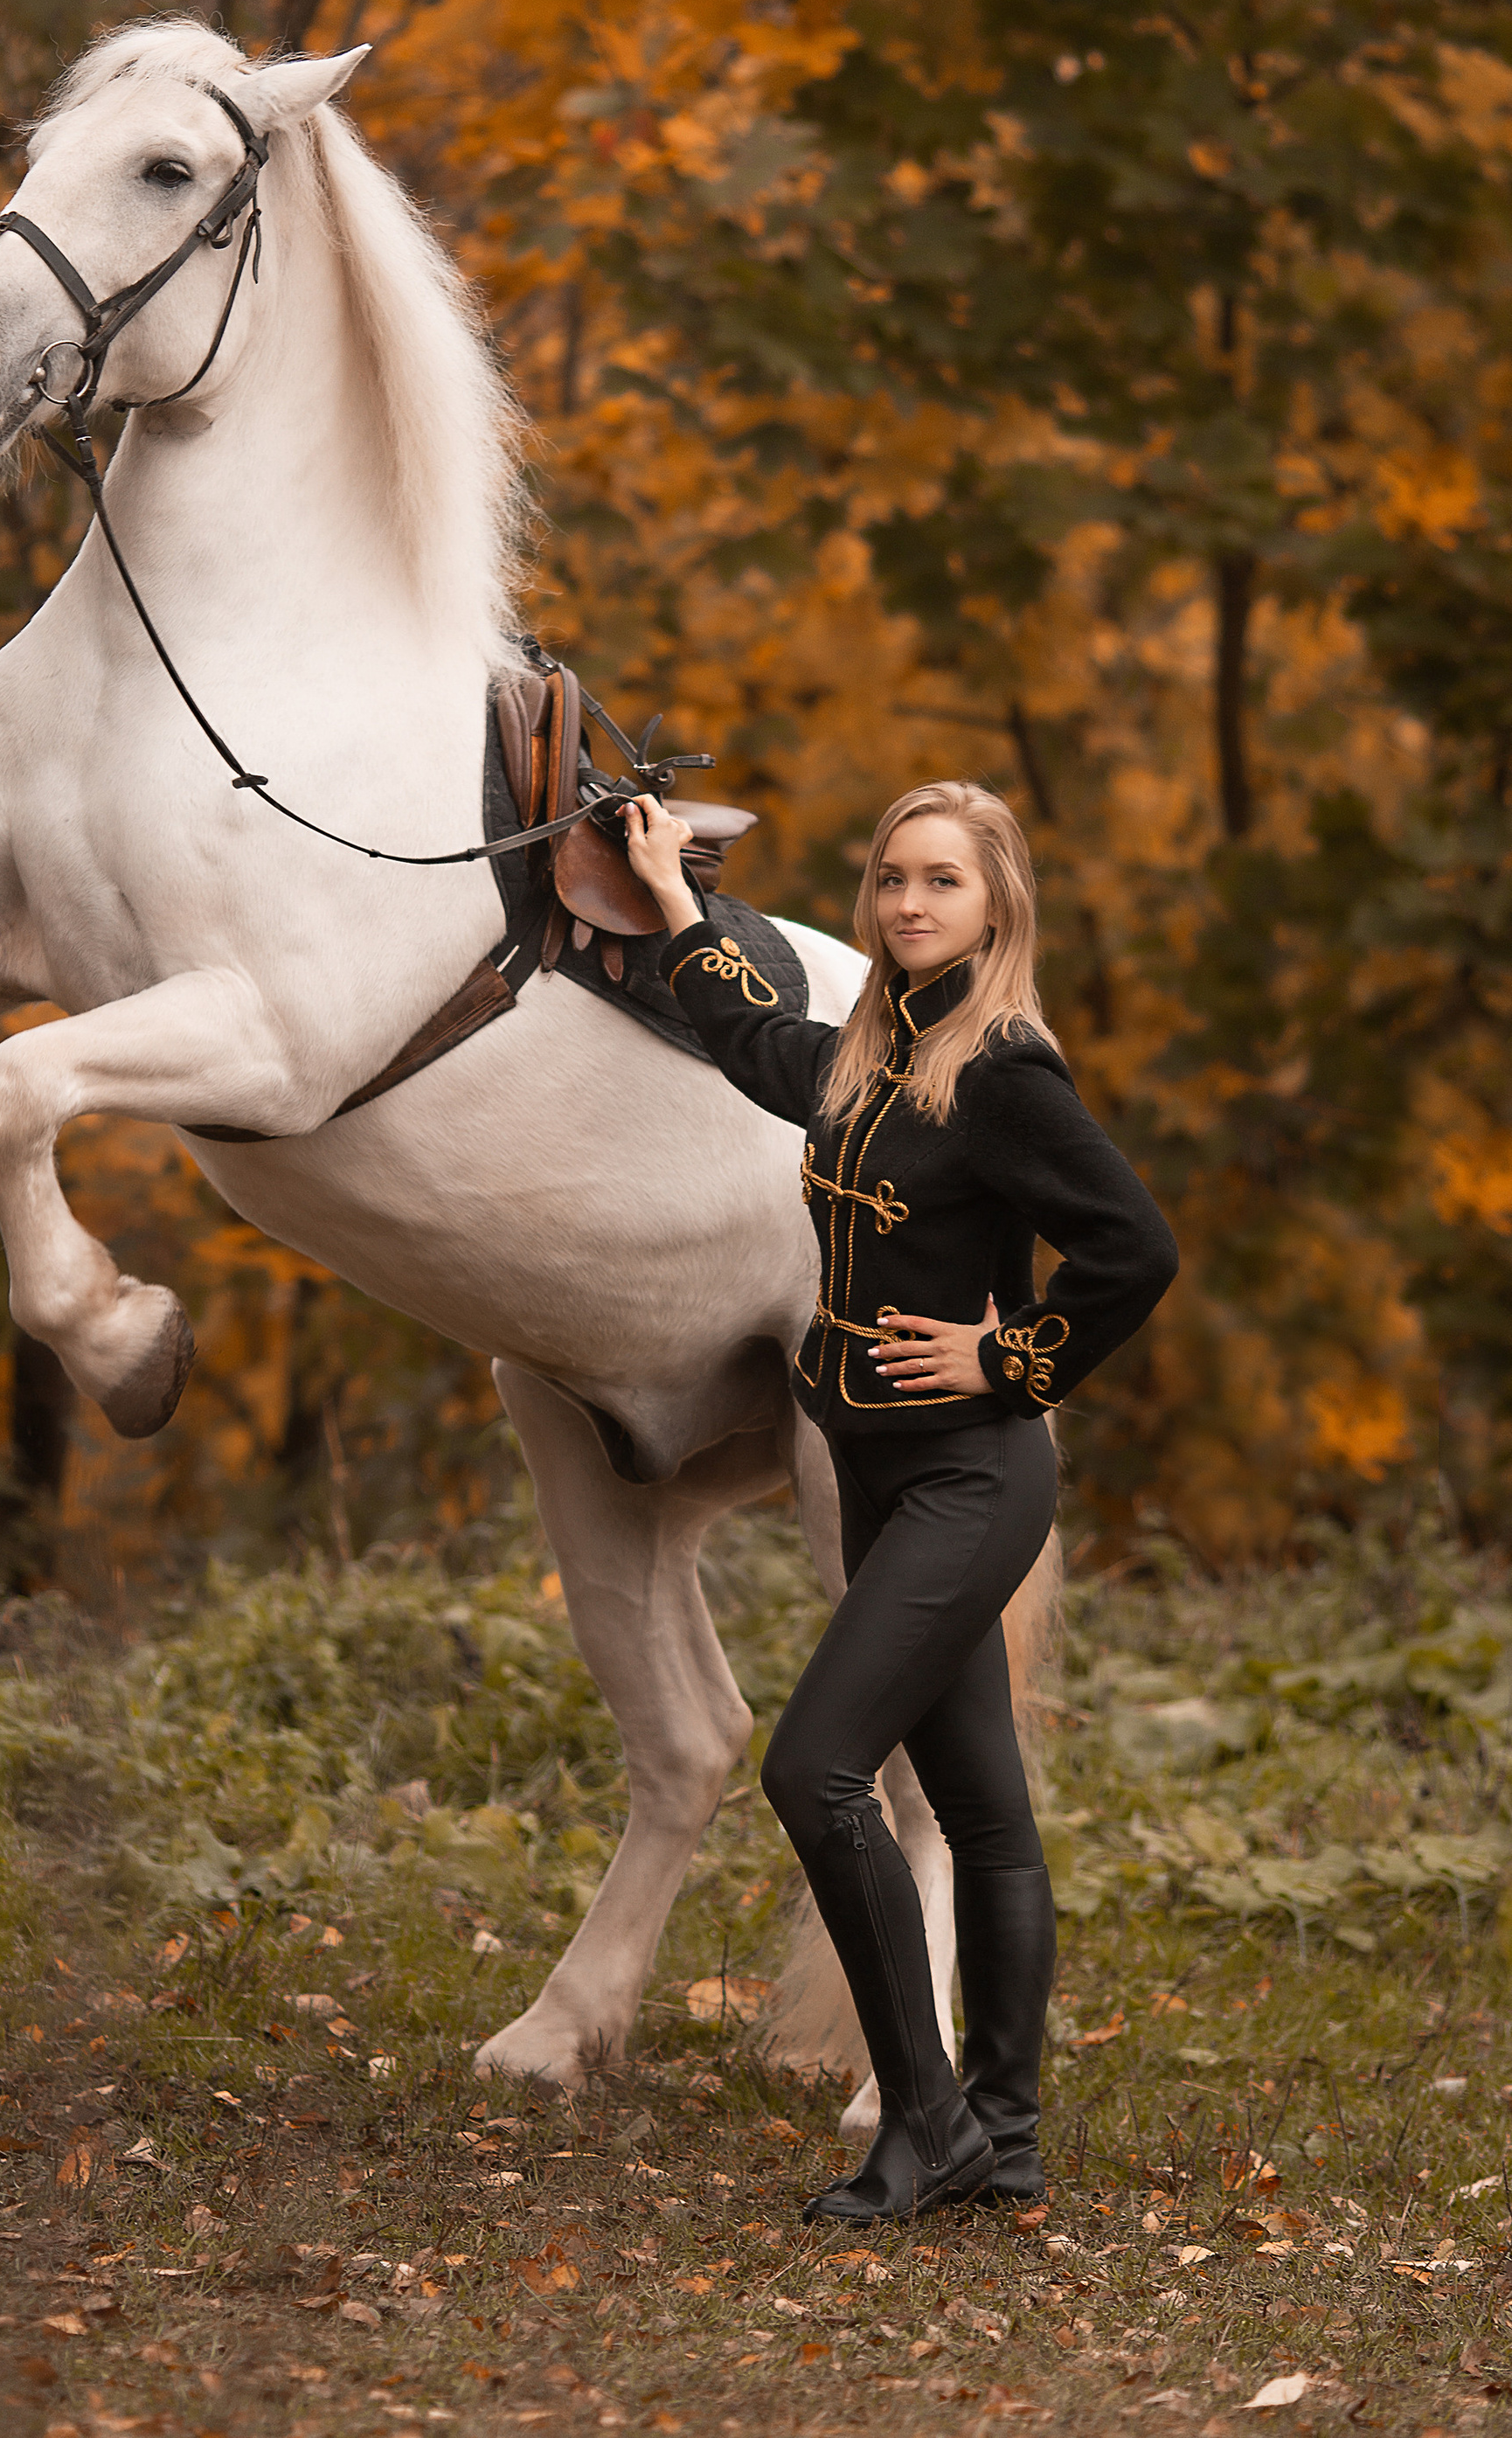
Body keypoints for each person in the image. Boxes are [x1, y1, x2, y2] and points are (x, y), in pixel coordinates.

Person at [621, 777, 1177, 2226]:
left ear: (998, 905)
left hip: (971, 1476)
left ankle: (929, 2120)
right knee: (984, 1810)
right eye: (890, 879)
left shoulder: (1002, 1070)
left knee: (813, 1770)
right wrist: (673, 900)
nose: (909, 903)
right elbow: (758, 1042)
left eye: (942, 880)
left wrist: (1011, 1356)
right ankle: (1008, 2137)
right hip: (878, 1471)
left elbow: (1134, 1247)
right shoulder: (878, 1057)